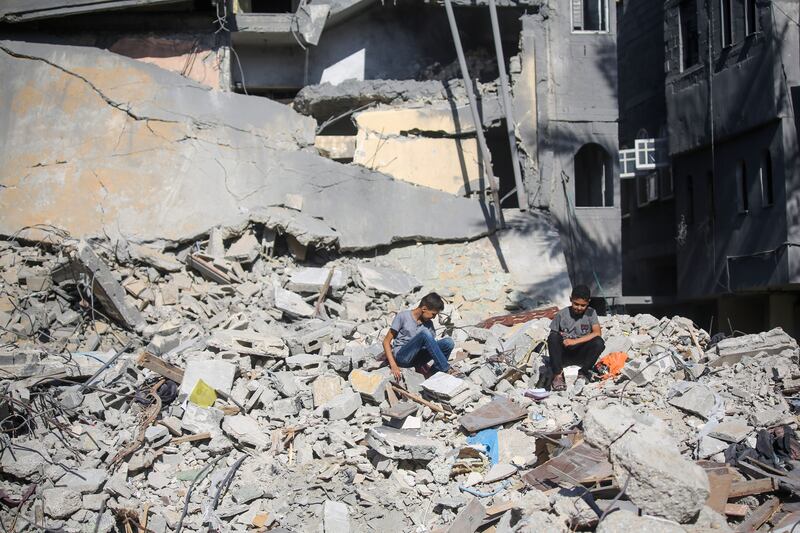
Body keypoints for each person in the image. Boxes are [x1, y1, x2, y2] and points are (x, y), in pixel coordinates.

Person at [382, 292, 458, 381]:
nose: (434, 318)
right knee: (424, 334)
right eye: (433, 314)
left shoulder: (429, 324)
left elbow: (431, 348)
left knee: (448, 342)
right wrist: (393, 366)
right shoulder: (403, 316)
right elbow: (386, 342)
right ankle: (446, 369)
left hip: (418, 360)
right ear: (424, 309)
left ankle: (432, 374)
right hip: (402, 357)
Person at [545, 284, 605, 391]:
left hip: (581, 354)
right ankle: (558, 375)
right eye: (576, 304)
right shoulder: (561, 314)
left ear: (588, 302)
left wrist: (574, 341)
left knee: (599, 342)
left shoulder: (591, 313)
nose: (579, 308)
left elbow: (597, 333)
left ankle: (583, 373)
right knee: (553, 337)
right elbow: (553, 338)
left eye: (583, 305)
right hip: (564, 355)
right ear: (570, 300)